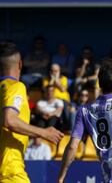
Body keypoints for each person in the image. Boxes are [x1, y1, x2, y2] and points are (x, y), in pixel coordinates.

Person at [0, 42, 64, 183]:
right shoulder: (16, 87)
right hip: (9, 171)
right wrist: (44, 132)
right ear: (20, 65)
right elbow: (9, 120)